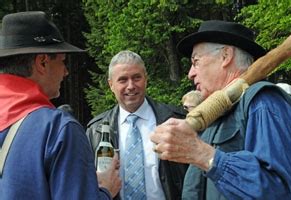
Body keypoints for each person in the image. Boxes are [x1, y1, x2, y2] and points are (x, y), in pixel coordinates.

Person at [150, 20, 291, 199]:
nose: (190, 73)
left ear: (225, 56)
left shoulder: (263, 103)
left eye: (196, 61)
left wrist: (201, 154)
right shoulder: (217, 116)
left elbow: (282, 192)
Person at [0, 11, 120, 199]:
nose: (66, 72)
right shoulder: (58, 129)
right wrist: (105, 190)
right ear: (42, 62)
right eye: (63, 61)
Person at [86, 50, 188, 200]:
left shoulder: (174, 121)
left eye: (136, 78)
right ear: (111, 85)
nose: (131, 86)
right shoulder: (96, 131)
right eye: (122, 80)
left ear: (145, 79)